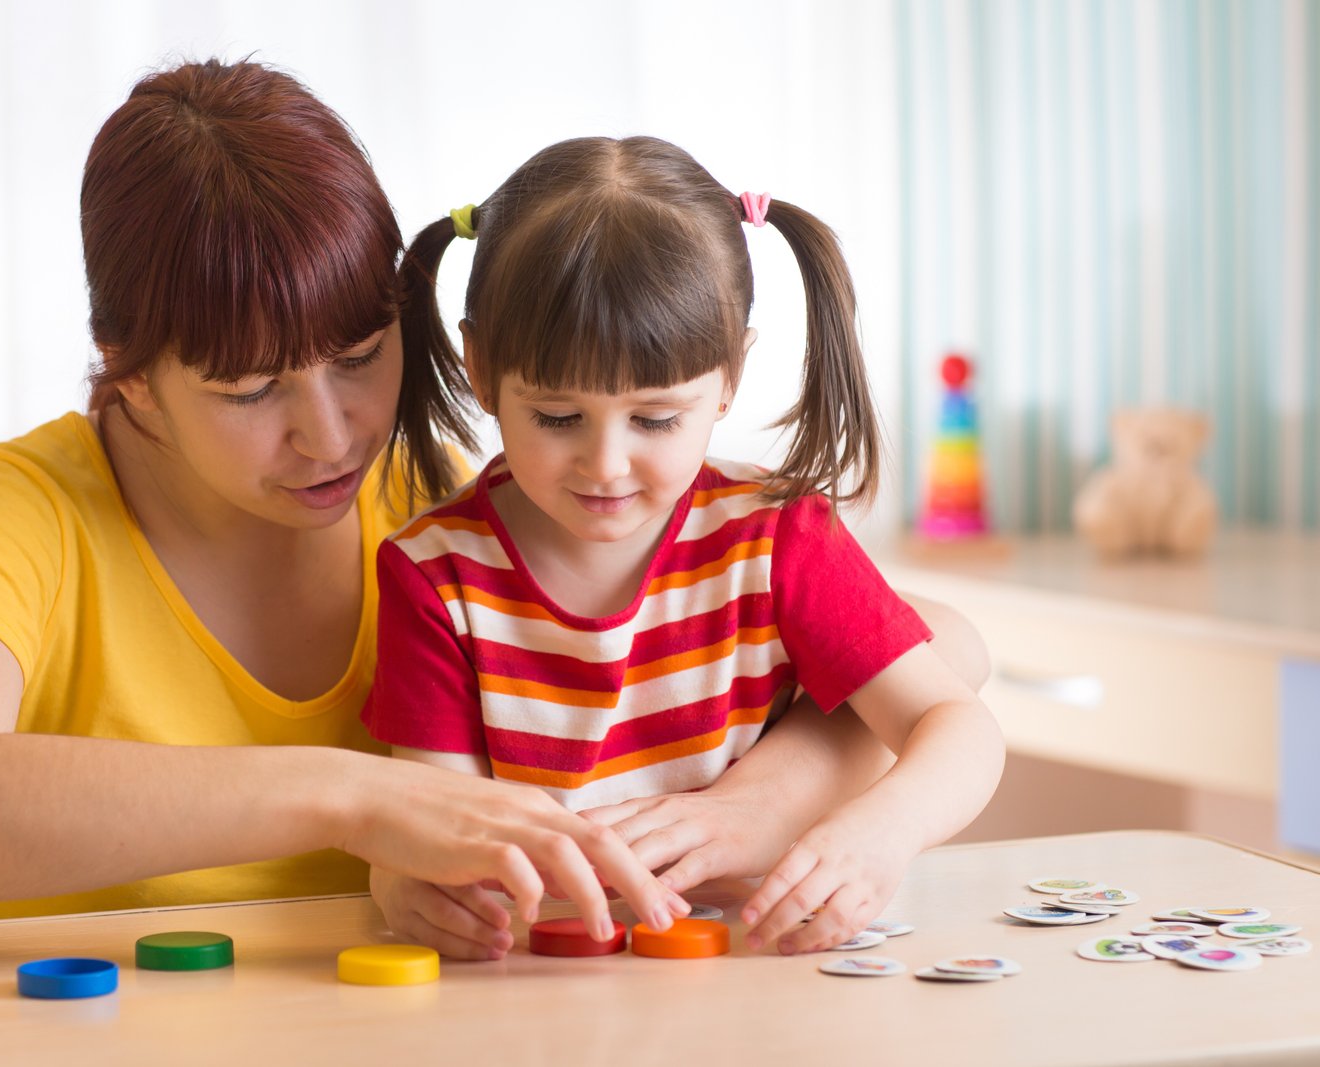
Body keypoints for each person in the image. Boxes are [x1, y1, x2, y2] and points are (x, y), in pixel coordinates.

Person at [0, 60, 687, 938]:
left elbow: (753, 655)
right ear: (132, 376)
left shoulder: (436, 501)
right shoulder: (25, 510)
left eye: (359, 357)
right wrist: (346, 795)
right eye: (248, 391)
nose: (331, 434)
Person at [364, 136, 1005, 956]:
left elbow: (957, 722)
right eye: (557, 417)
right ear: (481, 367)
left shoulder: (774, 537)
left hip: (754, 970)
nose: (604, 464)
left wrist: (882, 832)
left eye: (656, 419)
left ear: (732, 373)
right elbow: (433, 827)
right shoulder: (435, 578)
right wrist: (407, 881)